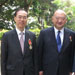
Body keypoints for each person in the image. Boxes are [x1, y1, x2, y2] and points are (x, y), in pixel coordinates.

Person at [37, 9, 75, 75]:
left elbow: (73, 53)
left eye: (62, 18)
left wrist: (72, 70)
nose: (59, 21)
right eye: (57, 18)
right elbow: (39, 52)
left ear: (66, 20)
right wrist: (39, 69)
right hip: (47, 70)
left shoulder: (71, 34)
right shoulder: (44, 33)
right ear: (52, 19)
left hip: (65, 71)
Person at [1, 8, 38, 75]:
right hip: (12, 72)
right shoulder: (7, 36)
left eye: (24, 17)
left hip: (29, 72)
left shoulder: (32, 36)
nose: (22, 20)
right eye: (19, 17)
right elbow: (3, 59)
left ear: (27, 19)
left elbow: (35, 57)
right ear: (15, 18)